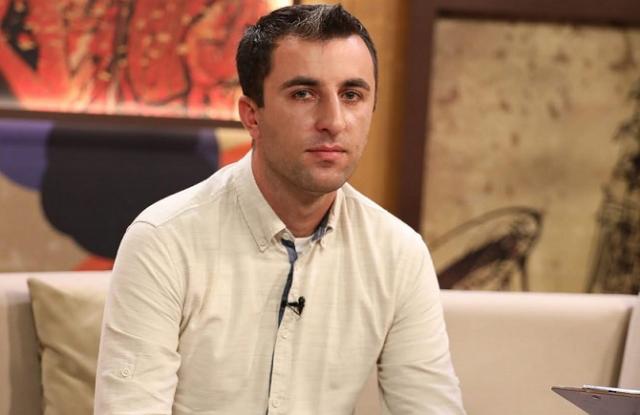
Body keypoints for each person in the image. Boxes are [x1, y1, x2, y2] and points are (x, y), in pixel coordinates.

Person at [94, 4, 466, 414]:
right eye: (303, 94)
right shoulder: (164, 241)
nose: (334, 121)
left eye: (352, 95)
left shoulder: (398, 254)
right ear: (252, 116)